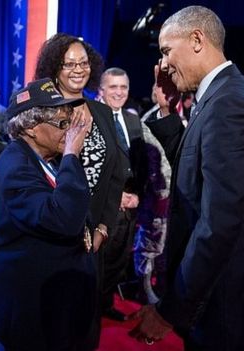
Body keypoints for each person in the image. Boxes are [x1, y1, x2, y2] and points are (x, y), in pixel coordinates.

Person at [128, 6, 244, 351]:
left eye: (166, 51)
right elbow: (191, 165)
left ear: (197, 39)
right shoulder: (219, 97)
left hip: (221, 294)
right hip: (216, 288)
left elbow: (220, 224)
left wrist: (170, 311)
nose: (164, 64)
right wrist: (167, 111)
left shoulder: (230, 105)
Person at [0, 78, 95, 350]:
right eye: (62, 124)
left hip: (48, 295)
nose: (70, 131)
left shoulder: (46, 158)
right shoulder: (16, 167)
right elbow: (64, 219)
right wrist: (73, 153)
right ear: (32, 128)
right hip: (22, 308)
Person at [34, 33, 125, 341]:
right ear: (54, 67)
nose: (77, 69)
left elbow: (115, 172)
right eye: (68, 63)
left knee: (84, 327)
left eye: (83, 62)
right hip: (53, 236)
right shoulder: (40, 110)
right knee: (51, 328)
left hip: (92, 241)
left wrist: (102, 227)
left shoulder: (101, 112)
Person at [97, 67, 146, 320]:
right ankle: (88, 311)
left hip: (131, 205)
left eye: (123, 87)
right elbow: (88, 171)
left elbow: (142, 165)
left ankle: (105, 306)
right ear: (101, 91)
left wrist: (138, 195)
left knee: (118, 260)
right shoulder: (92, 120)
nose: (119, 92)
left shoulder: (133, 120)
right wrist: (116, 198)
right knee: (99, 261)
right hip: (105, 206)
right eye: (113, 87)